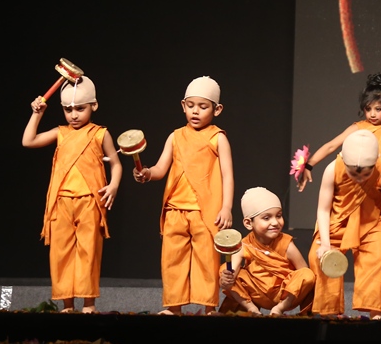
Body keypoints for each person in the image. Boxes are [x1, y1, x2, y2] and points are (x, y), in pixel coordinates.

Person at [133, 76, 235, 315]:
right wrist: (146, 173)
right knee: (172, 260)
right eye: (191, 105)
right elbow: (160, 169)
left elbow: (228, 175)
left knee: (207, 261)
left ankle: (208, 307)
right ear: (183, 106)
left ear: (217, 109)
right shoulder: (176, 136)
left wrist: (226, 207)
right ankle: (174, 307)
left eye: (203, 106)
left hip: (204, 212)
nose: (195, 111)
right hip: (175, 210)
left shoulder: (218, 138)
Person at [22, 76, 121, 313]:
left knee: (89, 251)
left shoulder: (100, 134)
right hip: (62, 202)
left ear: (93, 106)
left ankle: (88, 303)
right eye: (68, 110)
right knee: (61, 252)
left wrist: (113, 185)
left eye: (80, 109)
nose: (74, 115)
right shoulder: (61, 132)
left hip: (89, 200)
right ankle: (67, 304)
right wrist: (37, 114)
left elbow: (116, 163)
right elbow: (28, 141)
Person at [296, 72, 381, 246]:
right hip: (365, 183)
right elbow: (331, 146)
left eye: (378, 109)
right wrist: (309, 165)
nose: (372, 114)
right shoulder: (358, 127)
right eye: (368, 109)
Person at [308, 129, 381, 317]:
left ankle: (374, 315)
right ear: (344, 160)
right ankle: (328, 315)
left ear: (375, 161)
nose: (360, 178)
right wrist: (325, 244)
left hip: (371, 224)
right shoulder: (333, 169)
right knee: (319, 258)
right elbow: (323, 210)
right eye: (354, 174)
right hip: (337, 223)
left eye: (365, 174)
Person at [218, 187, 314, 315]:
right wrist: (225, 280)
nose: (275, 222)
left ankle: (279, 308)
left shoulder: (286, 244)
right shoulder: (244, 245)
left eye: (279, 216)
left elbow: (304, 273)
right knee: (224, 269)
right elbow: (231, 275)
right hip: (255, 293)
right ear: (248, 223)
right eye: (267, 218)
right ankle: (251, 308)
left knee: (308, 274)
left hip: (283, 294)